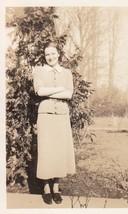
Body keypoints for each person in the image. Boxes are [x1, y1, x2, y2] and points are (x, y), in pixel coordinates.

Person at [33, 42, 76, 205]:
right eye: (47, 54)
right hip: (45, 114)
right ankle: (45, 188)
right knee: (46, 150)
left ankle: (56, 188)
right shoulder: (40, 71)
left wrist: (51, 89)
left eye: (53, 53)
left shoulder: (66, 73)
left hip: (62, 115)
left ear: (58, 54)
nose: (50, 57)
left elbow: (69, 94)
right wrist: (59, 88)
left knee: (59, 151)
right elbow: (40, 91)